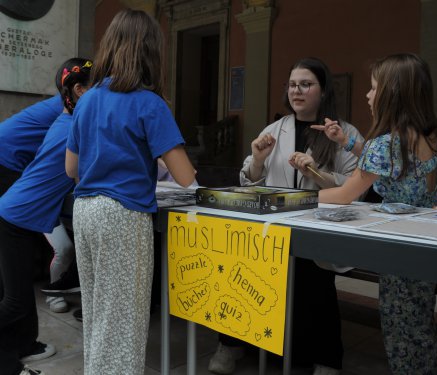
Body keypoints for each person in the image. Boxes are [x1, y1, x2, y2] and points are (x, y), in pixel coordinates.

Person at [208, 57, 364, 375]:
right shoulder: (274, 129)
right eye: (292, 84)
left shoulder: (343, 132)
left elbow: (355, 189)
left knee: (315, 281)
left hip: (320, 228)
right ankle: (232, 344)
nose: (297, 91)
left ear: (323, 91)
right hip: (274, 226)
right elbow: (249, 180)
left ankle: (326, 358)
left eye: (306, 84)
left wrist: (316, 171)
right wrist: (256, 159)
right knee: (241, 269)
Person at [65, 9, 195, 375]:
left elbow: (70, 168)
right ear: (151, 50)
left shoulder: (87, 99)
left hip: (85, 210)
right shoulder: (148, 103)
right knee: (122, 325)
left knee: (97, 318)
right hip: (122, 217)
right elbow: (185, 176)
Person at [312, 53, 437, 375]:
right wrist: (348, 141)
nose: (368, 96)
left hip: (397, 253)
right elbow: (390, 168)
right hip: (422, 250)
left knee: (400, 332)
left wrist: (294, 197)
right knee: (420, 328)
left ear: (392, 93)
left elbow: (344, 195)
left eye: (373, 88)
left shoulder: (385, 145)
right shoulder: (427, 137)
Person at [0, 57, 92, 375]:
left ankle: (23, 346)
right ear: (78, 91)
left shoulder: (66, 121)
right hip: (13, 220)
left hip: (16, 217)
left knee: (21, 294)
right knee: (13, 301)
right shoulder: (73, 132)